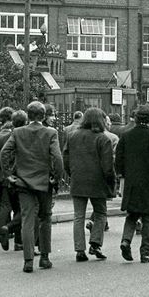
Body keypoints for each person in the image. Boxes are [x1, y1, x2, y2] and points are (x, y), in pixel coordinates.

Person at [0, 101, 63, 273]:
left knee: (27, 219)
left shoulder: (18, 132)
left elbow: (4, 152)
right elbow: (57, 157)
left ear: (28, 116)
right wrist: (56, 178)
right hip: (43, 180)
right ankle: (44, 257)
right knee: (45, 218)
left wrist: (7, 175)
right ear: (43, 116)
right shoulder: (51, 133)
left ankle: (28, 260)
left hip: (23, 181)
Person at [114, 106, 149, 262]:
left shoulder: (126, 136)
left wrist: (122, 175)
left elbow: (119, 160)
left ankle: (126, 240)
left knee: (131, 215)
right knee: (148, 218)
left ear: (135, 118)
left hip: (131, 181)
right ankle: (145, 252)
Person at [63, 107, 114, 262]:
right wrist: (111, 183)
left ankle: (79, 249)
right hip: (98, 181)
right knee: (100, 213)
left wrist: (72, 173)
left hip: (78, 180)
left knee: (78, 216)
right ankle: (95, 243)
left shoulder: (72, 136)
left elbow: (65, 158)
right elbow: (108, 166)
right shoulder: (103, 139)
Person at [0, 110, 25, 251]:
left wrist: (5, 172)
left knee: (5, 205)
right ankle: (17, 240)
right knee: (22, 209)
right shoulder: (21, 136)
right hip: (19, 176)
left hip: (3, 177)